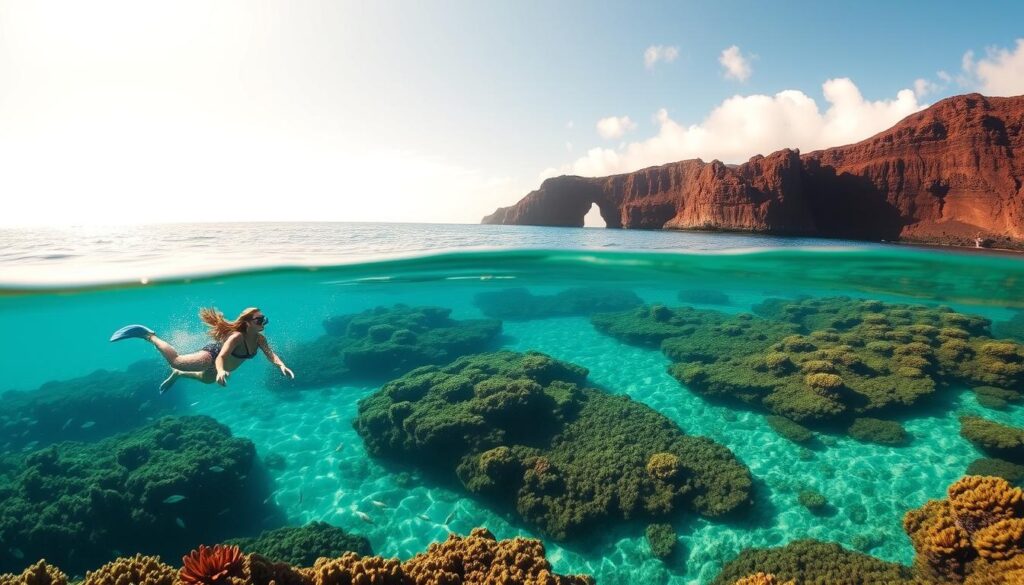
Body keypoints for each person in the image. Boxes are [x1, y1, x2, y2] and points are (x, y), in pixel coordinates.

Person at [110, 307, 295, 394]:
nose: (263, 322)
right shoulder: (236, 337)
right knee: (177, 360)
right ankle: (147, 335)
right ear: (247, 323)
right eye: (259, 320)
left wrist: (281, 365)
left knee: (207, 381)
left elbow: (271, 353)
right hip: (213, 356)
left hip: (220, 368)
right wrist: (221, 370)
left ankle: (178, 374)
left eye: (264, 319)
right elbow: (222, 355)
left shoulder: (260, 339)